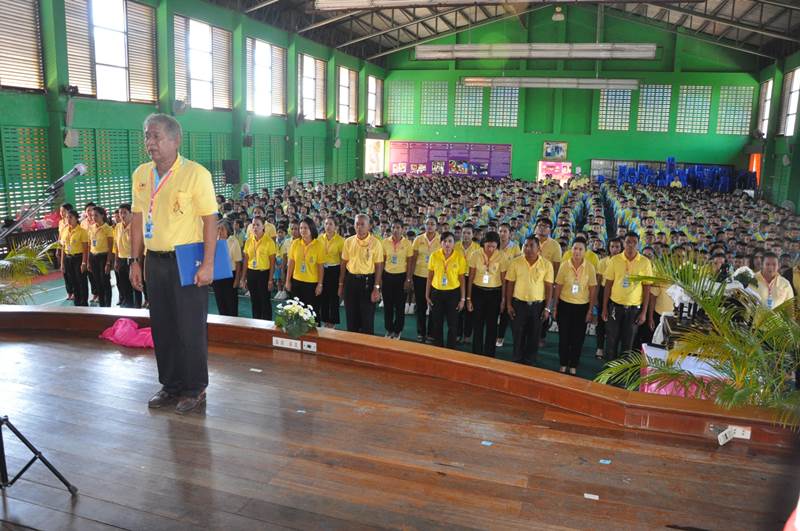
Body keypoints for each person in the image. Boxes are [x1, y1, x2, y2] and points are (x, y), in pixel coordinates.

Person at [130, 113, 218, 415]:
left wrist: (208, 264)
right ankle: (171, 384)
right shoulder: (141, 174)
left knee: (190, 328)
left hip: (187, 260)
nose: (150, 142)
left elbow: (210, 220)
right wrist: (135, 260)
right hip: (154, 260)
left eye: (156, 136)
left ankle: (195, 388)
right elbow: (138, 218)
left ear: (175, 140)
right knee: (163, 326)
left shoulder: (196, 174)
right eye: (147, 136)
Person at [602, 232, 653, 360]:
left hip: (634, 310)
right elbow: (608, 285)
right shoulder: (615, 260)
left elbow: (647, 288)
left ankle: (623, 371)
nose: (631, 245)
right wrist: (604, 308)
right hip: (615, 307)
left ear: (639, 244)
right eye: (628, 242)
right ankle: (609, 370)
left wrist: (644, 313)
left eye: (634, 242)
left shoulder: (645, 262)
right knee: (611, 341)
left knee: (628, 344)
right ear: (624, 243)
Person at [505, 236, 554, 365]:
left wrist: (547, 308)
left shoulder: (546, 265)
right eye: (525, 245)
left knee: (534, 335)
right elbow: (510, 284)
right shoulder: (516, 262)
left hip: (537, 306)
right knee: (518, 334)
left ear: (538, 249)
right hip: (518, 304)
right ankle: (517, 360)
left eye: (531, 246)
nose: (528, 248)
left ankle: (530, 361)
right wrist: (509, 305)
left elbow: (549, 287)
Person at [553, 237, 597, 375]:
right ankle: (563, 363)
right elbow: (558, 286)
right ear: (571, 250)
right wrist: (555, 306)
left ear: (585, 251)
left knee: (578, 338)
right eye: (575, 248)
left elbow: (592, 290)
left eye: (580, 249)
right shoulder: (564, 265)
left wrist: (590, 310)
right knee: (564, 337)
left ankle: (573, 364)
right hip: (564, 306)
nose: (577, 251)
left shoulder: (590, 267)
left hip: (582, 307)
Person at [339, 213, 384, 334]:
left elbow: (379, 266)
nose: (359, 227)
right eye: (357, 224)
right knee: (351, 316)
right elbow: (343, 263)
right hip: (351, 280)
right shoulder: (348, 241)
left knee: (367, 318)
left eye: (362, 224)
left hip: (368, 282)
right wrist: (341, 284)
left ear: (369, 226)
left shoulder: (376, 243)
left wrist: (376, 288)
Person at [466, 231, 506, 357]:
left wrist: (503, 299)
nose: (490, 249)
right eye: (488, 246)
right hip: (478, 292)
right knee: (477, 323)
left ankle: (489, 353)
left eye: (493, 246)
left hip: (495, 293)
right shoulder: (475, 254)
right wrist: (468, 298)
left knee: (492, 324)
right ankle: (476, 352)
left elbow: (504, 280)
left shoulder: (502, 256)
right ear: (483, 243)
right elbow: (471, 278)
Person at [426, 231, 467, 348]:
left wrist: (463, 299)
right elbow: (429, 277)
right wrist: (427, 295)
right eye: (444, 241)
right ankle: (438, 347)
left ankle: (450, 348)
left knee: (452, 324)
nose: (447, 244)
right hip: (436, 293)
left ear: (454, 243)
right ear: (441, 243)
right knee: (437, 323)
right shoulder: (434, 256)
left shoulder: (459, 257)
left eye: (450, 241)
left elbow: (462, 279)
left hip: (453, 294)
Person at [286, 217, 324, 321]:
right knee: (296, 311)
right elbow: (291, 263)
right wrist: (288, 281)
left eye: (305, 228)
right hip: (296, 282)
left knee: (311, 312)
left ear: (311, 228)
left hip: (311, 284)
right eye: (301, 228)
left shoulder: (319, 245)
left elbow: (320, 267)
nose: (302, 230)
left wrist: (320, 284)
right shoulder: (295, 243)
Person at [381, 219, 413, 339]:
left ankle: (398, 330)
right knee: (388, 305)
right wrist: (380, 279)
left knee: (400, 306)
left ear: (402, 229)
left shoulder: (407, 243)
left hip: (401, 277)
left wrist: (408, 279)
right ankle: (389, 329)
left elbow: (409, 263)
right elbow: (382, 261)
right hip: (387, 276)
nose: (395, 230)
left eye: (398, 227)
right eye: (393, 227)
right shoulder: (385, 242)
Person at [411, 217, 440, 342]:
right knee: (421, 305)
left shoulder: (441, 240)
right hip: (419, 276)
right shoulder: (418, 239)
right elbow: (413, 259)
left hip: (435, 277)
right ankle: (421, 332)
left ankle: (431, 333)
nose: (430, 226)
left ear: (436, 226)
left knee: (433, 305)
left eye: (432, 224)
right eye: (427, 224)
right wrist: (410, 277)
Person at [243, 216, 277, 320]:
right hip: (251, 273)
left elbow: (272, 263)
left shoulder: (269, 241)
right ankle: (256, 321)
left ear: (263, 227)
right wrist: (243, 278)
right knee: (254, 300)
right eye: (253, 225)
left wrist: (270, 280)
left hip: (264, 274)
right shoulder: (248, 241)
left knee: (264, 300)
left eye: (258, 225)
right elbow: (246, 260)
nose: (255, 227)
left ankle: (267, 323)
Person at [494, 223, 521, 348]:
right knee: (494, 309)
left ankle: (500, 336)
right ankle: (493, 334)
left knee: (505, 310)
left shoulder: (515, 247)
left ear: (510, 234)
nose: (502, 234)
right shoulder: (495, 245)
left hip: (509, 282)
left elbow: (518, 265)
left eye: (505, 231)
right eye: (500, 231)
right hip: (495, 282)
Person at [595, 238, 622, 359]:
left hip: (617, 293)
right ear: (609, 248)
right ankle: (600, 347)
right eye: (612, 247)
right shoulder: (603, 262)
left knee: (615, 324)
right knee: (602, 321)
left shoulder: (623, 262)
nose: (615, 249)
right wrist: (596, 298)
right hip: (603, 292)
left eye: (617, 247)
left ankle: (612, 350)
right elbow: (598, 281)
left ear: (621, 248)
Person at [318, 217, 345, 328]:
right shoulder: (320, 238)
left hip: (335, 270)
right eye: (326, 224)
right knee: (323, 296)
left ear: (336, 227)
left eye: (330, 224)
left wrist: (341, 277)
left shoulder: (341, 240)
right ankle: (324, 320)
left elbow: (343, 260)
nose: (328, 226)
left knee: (333, 297)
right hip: (322, 269)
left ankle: (332, 322)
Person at [113, 203, 141, 308]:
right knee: (124, 285)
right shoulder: (117, 226)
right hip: (121, 259)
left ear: (131, 213)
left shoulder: (135, 226)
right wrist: (116, 260)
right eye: (120, 213)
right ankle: (128, 306)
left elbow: (139, 245)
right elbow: (116, 244)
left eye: (125, 213)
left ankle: (138, 307)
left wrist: (137, 261)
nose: (122, 215)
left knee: (135, 285)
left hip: (132, 260)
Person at [213, 220, 243, 317]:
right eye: (218, 229)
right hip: (217, 277)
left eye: (222, 229)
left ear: (228, 230)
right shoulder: (214, 242)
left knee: (231, 304)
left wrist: (237, 280)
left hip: (230, 277)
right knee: (220, 303)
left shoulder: (233, 241)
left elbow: (238, 263)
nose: (219, 231)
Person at [61, 209, 89, 307]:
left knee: (81, 281)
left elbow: (85, 249)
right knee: (73, 281)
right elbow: (63, 247)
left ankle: (84, 302)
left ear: (76, 218)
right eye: (67, 217)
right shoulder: (65, 230)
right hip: (68, 258)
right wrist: (62, 263)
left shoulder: (82, 231)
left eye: (71, 217)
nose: (68, 219)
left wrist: (84, 263)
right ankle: (77, 302)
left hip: (78, 258)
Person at [87, 206, 114, 307]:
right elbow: (90, 245)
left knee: (105, 282)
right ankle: (102, 305)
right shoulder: (91, 228)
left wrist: (108, 263)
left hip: (103, 257)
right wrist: (88, 261)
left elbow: (110, 248)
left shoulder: (108, 229)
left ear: (102, 215)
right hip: (93, 257)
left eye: (96, 215)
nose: (93, 217)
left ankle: (108, 305)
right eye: (92, 215)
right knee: (97, 282)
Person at [57, 203, 74, 301]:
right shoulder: (60, 222)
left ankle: (75, 292)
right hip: (63, 248)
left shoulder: (72, 222)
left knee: (72, 273)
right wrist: (58, 248)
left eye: (63, 211)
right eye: (61, 211)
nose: (61, 213)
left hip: (71, 250)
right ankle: (69, 292)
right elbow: (60, 236)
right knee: (65, 272)